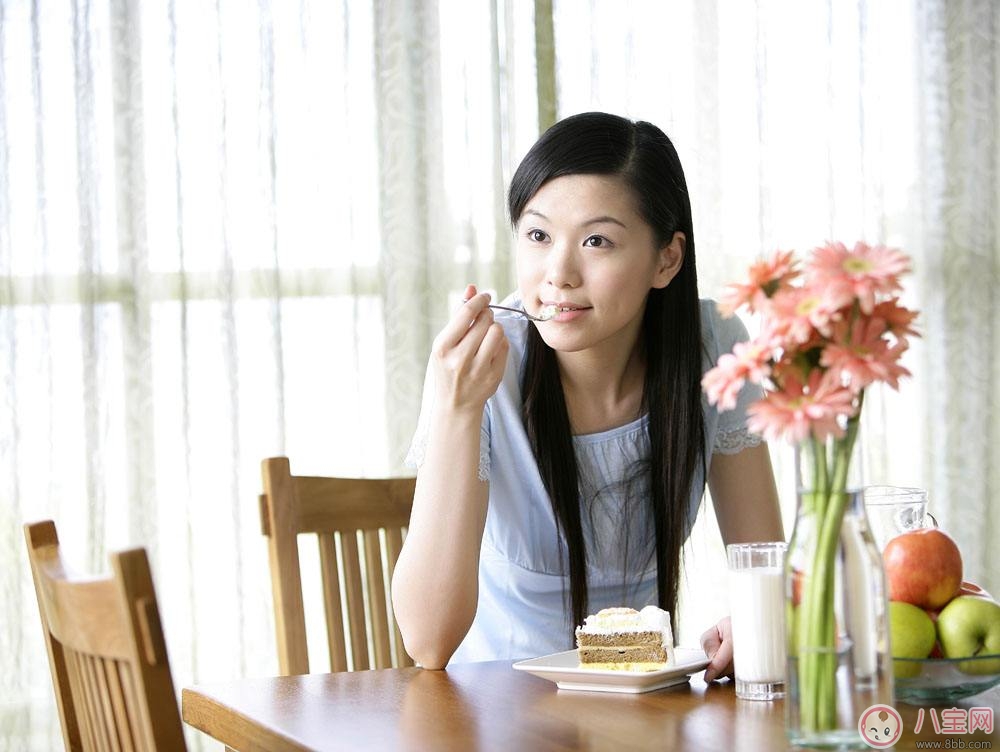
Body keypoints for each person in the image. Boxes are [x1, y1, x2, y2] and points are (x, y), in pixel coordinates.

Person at [391, 111, 783, 681]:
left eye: (596, 240)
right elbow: (427, 642)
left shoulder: (712, 346)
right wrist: (456, 409)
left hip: (648, 718)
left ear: (666, 259)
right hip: (493, 717)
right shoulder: (483, 364)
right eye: (538, 235)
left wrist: (750, 622)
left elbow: (764, 574)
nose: (559, 273)